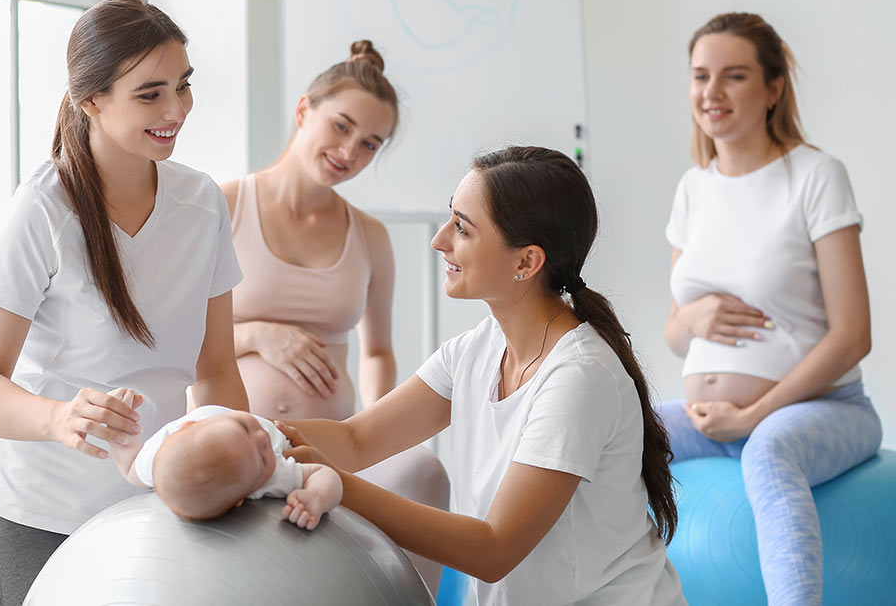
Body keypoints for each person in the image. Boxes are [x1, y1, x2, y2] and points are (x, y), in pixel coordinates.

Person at [276, 147, 685, 606]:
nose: (439, 240)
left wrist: (336, 486)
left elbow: (493, 549)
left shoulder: (580, 378)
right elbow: (356, 440)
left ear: (526, 263)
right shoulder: (479, 348)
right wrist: (251, 435)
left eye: (463, 228)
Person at [0, 0, 248, 606]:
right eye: (150, 94)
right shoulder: (42, 210)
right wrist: (57, 418)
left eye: (184, 86)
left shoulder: (202, 204)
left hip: (155, 509)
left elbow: (216, 368)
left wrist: (236, 472)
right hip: (37, 514)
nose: (176, 110)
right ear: (92, 100)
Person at [662, 12, 881, 606]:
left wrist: (753, 414)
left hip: (823, 409)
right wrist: (694, 319)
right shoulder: (693, 188)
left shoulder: (815, 175)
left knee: (771, 450)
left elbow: (852, 336)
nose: (712, 93)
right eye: (700, 75)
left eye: (733, 76)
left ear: (773, 87)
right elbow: (675, 332)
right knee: (608, 434)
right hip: (710, 415)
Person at [222, 40, 450, 591]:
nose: (351, 152)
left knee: (424, 471)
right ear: (304, 111)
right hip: (237, 442)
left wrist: (367, 434)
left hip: (332, 451)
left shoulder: (370, 236)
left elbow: (376, 351)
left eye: (371, 143)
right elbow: (169, 338)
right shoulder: (223, 204)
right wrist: (258, 336)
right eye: (341, 127)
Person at [106, 388, 341, 528]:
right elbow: (323, 472)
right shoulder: (270, 476)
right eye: (263, 457)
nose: (262, 437)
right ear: (242, 497)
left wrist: (119, 424)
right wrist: (318, 495)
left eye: (244, 425)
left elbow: (130, 468)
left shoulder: (158, 453)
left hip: (205, 421)